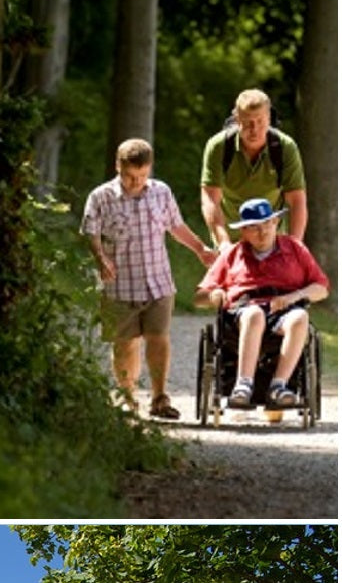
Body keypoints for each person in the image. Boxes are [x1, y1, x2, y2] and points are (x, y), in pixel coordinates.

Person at [81, 138, 215, 419]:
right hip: (119, 285)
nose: (135, 182)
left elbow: (175, 226)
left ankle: (159, 398)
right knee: (125, 345)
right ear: (118, 166)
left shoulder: (161, 192)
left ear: (150, 169)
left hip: (158, 281)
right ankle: (128, 399)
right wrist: (99, 256)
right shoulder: (101, 196)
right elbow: (89, 230)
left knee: (158, 338)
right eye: (130, 176)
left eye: (142, 176)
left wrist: (200, 249)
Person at [195, 197, 329, 410]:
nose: (263, 232)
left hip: (284, 309)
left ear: (276, 223)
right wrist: (215, 294)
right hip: (243, 313)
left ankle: (279, 386)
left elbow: (321, 288)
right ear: (244, 231)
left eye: (267, 224)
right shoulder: (232, 254)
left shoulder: (295, 249)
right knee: (254, 314)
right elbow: (200, 296)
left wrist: (294, 296)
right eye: (254, 228)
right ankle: (243, 385)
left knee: (300, 317)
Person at [200, 88, 307, 247]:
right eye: (247, 122)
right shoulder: (219, 147)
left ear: (269, 118)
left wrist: (294, 246)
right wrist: (223, 243)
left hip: (271, 240)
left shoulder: (285, 148)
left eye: (260, 121)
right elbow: (210, 199)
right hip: (231, 240)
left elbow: (297, 200)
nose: (254, 129)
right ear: (237, 119)